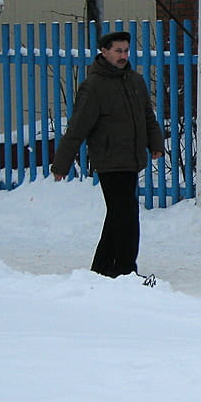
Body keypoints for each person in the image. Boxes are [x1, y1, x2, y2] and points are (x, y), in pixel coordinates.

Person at [51, 30, 164, 278]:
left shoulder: (135, 81)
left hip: (131, 158)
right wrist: (61, 164)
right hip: (109, 160)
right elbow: (77, 128)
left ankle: (102, 268)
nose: (123, 56)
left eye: (125, 51)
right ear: (104, 52)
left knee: (118, 214)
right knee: (126, 214)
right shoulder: (94, 87)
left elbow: (147, 116)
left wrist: (155, 143)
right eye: (118, 51)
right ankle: (125, 268)